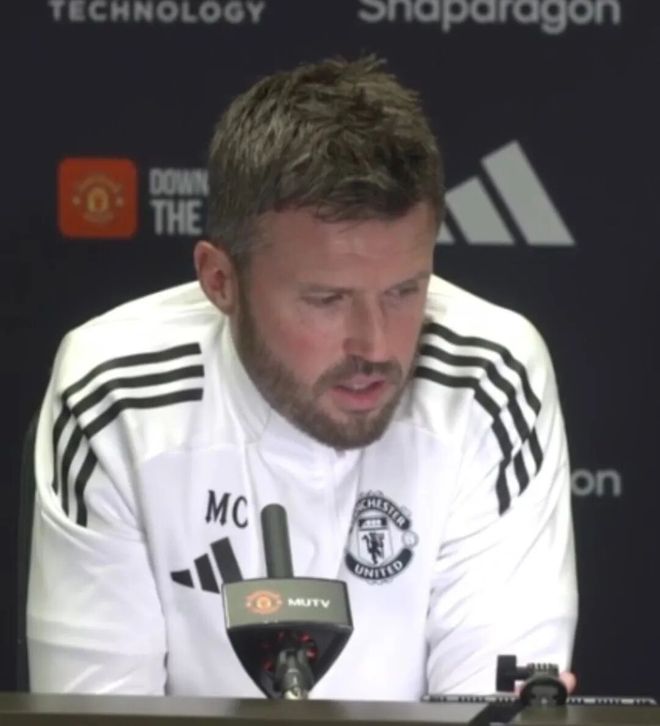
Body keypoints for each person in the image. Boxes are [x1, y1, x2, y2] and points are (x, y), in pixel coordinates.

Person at [27, 56, 577, 699]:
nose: (375, 345)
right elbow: (95, 715)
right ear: (220, 281)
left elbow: (493, 713)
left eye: (405, 291)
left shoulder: (491, 379)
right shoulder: (113, 394)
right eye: (326, 300)